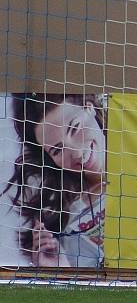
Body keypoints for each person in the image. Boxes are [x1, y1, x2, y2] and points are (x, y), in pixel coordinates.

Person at [2, 93, 106, 267]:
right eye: (57, 150)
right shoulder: (64, 221)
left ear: (89, 107)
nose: (77, 154)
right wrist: (59, 271)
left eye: (75, 128)